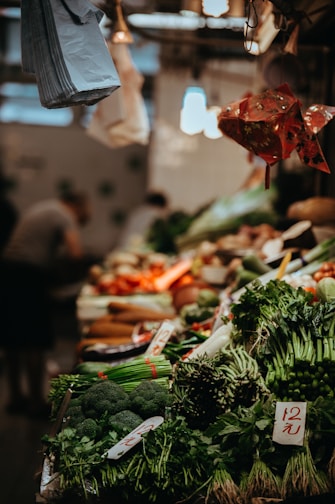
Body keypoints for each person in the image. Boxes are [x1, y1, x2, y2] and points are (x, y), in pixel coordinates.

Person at [0, 191, 91, 418]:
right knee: (35, 340)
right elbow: (76, 253)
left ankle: (16, 398)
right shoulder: (64, 214)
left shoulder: (46, 206)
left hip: (8, 271)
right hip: (28, 276)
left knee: (13, 339)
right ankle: (35, 401)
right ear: (77, 206)